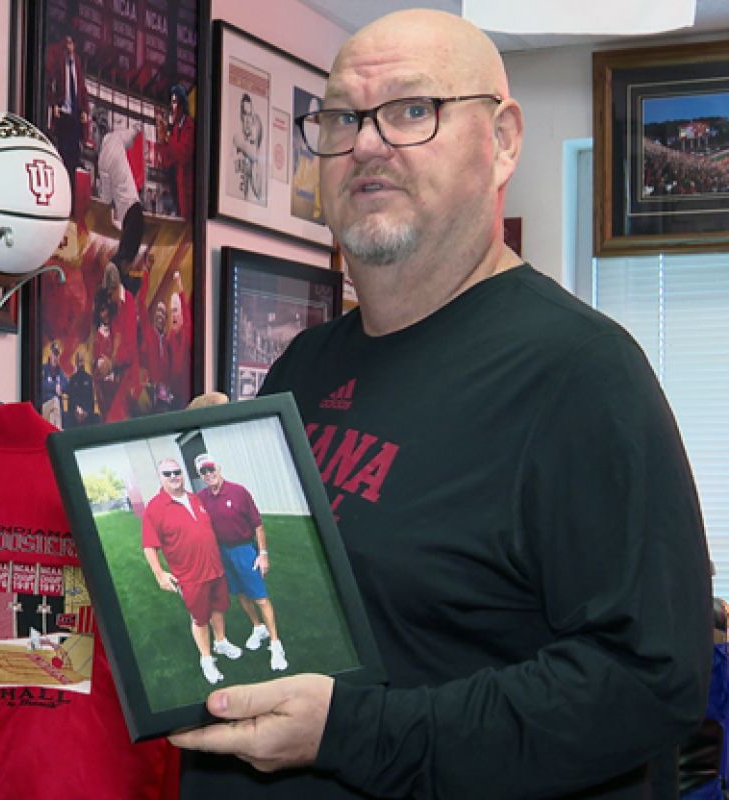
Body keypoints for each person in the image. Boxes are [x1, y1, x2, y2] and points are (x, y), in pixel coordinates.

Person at [170, 9, 710, 799]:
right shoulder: (305, 364)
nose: (366, 143)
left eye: (412, 110)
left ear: (503, 143)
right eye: (342, 117)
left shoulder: (583, 375)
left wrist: (352, 731)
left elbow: (646, 681)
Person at [142, 457, 243, 685]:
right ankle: (206, 659)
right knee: (200, 618)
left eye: (176, 472)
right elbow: (149, 546)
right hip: (189, 576)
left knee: (218, 608)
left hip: (215, 569)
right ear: (160, 477)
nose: (173, 477)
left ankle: (221, 641)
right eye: (167, 474)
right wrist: (160, 574)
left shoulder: (196, 499)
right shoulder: (155, 507)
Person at [193, 453, 286, 672]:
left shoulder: (239, 491)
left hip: (244, 549)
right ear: (201, 476)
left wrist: (262, 553)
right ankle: (258, 627)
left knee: (261, 598)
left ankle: (275, 645)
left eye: (211, 469)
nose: (208, 474)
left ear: (219, 467)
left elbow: (258, 525)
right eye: (203, 472)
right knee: (241, 594)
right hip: (221, 553)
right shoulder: (201, 498)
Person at [45, 34, 89, 209]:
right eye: (67, 43)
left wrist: (84, 110)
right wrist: (54, 103)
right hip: (63, 114)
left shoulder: (76, 63)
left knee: (74, 157)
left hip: (75, 116)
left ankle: (72, 198)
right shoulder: (59, 62)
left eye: (72, 43)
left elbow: (82, 88)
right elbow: (51, 84)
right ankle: (63, 197)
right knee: (64, 155)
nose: (70, 47)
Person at [97, 121, 145, 280]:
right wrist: (136, 129)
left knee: (126, 254)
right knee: (126, 255)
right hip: (133, 209)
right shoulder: (116, 138)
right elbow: (129, 136)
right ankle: (113, 276)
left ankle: (112, 276)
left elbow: (106, 197)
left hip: (128, 212)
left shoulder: (102, 161)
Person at [156, 83, 196, 220]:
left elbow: (182, 154)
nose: (172, 107)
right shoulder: (175, 129)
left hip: (189, 191)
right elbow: (167, 161)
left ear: (181, 103)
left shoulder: (189, 126)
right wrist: (162, 140)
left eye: (174, 102)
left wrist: (167, 137)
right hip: (180, 189)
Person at [231, 93, 264, 203]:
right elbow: (253, 154)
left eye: (250, 115)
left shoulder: (251, 142)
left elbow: (258, 191)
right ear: (241, 116)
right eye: (245, 114)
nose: (248, 120)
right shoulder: (237, 137)